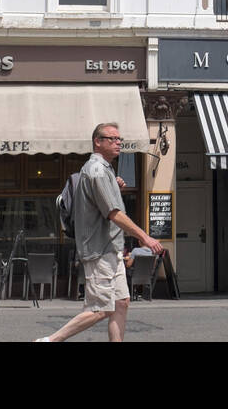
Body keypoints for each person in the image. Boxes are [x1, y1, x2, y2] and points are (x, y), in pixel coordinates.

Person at [38, 122, 163, 342]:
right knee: (99, 310)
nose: (118, 143)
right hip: (99, 251)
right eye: (113, 139)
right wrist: (144, 237)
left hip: (111, 250)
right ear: (98, 141)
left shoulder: (105, 170)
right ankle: (50, 340)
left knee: (121, 302)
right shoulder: (96, 170)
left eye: (119, 139)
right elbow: (114, 213)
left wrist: (114, 184)